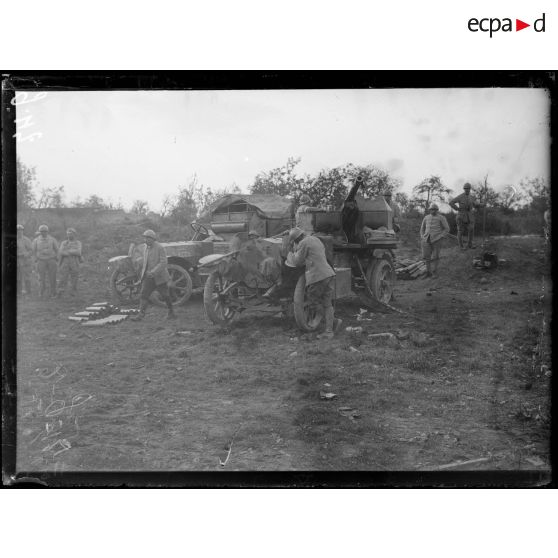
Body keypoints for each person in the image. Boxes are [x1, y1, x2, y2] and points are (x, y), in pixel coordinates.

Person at [288, 227, 341, 339]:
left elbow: (297, 262)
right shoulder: (316, 239)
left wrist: (292, 251)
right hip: (328, 273)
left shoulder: (303, 243)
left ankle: (332, 321)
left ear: (297, 239)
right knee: (327, 303)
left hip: (317, 276)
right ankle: (330, 329)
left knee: (313, 301)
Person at [132, 229, 176, 321]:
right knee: (144, 294)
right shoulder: (145, 248)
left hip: (160, 276)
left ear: (152, 239)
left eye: (147, 238)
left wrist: (153, 272)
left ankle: (171, 312)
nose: (145, 240)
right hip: (148, 277)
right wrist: (142, 272)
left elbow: (164, 262)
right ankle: (141, 315)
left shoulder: (160, 247)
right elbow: (145, 262)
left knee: (165, 295)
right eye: (145, 238)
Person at [449, 183, 484, 249]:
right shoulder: (460, 196)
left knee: (471, 229)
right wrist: (457, 209)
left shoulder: (472, 197)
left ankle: (469, 244)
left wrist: (483, 204)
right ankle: (461, 246)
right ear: (464, 189)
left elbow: (476, 205)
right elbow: (451, 202)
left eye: (468, 188)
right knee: (460, 231)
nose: (467, 190)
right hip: (461, 216)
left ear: (470, 189)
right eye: (465, 189)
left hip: (470, 216)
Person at [420, 204, 449, 278]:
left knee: (436, 256)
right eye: (432, 209)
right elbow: (422, 228)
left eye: (435, 209)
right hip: (427, 239)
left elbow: (447, 229)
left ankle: (434, 272)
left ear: (437, 210)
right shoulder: (426, 217)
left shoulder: (441, 217)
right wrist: (422, 236)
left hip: (437, 240)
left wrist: (441, 236)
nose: (433, 211)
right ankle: (428, 272)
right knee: (427, 257)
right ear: (429, 210)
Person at [32, 224, 59, 298]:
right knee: (41, 278)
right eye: (42, 231)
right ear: (40, 232)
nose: (43, 233)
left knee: (53, 277)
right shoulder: (36, 240)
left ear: (48, 232)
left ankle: (53, 293)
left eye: (45, 231)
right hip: (41, 260)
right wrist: (35, 260)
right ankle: (41, 292)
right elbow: (33, 251)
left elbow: (57, 250)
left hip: (51, 260)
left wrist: (56, 258)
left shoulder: (52, 239)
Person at [57, 228, 83, 297]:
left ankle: (73, 292)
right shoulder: (64, 243)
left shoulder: (78, 243)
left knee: (74, 277)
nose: (69, 235)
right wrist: (72, 251)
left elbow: (78, 252)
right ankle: (61, 291)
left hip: (74, 261)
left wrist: (68, 251)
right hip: (65, 262)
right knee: (63, 277)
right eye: (68, 234)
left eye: (71, 234)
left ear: (74, 234)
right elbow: (61, 252)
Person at [17, 224, 33, 295]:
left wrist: (26, 254)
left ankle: (28, 292)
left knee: (27, 276)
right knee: (18, 277)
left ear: (23, 231)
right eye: (17, 231)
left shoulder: (26, 240)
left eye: (20, 230)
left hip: (25, 260)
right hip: (17, 260)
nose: (19, 232)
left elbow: (31, 250)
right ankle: (18, 292)